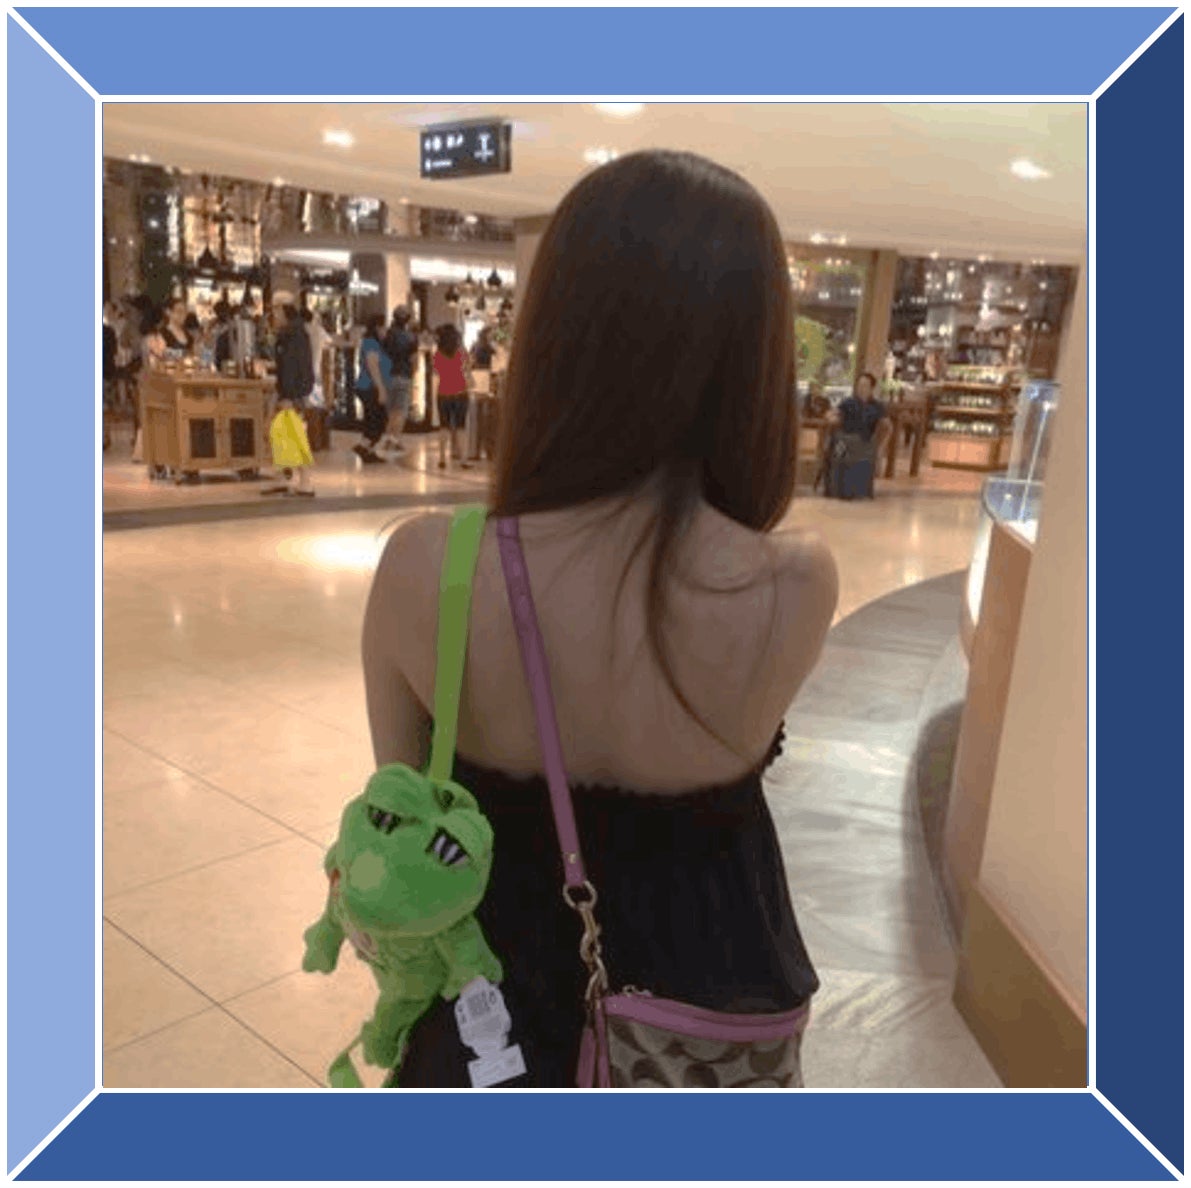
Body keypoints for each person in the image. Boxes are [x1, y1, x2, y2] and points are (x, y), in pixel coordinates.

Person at [360, 150, 838, 1087]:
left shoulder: (427, 566)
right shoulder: (793, 581)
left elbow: (401, 817)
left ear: (555, 334)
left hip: (487, 1026)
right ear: (756, 356)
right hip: (700, 1035)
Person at [431, 323, 473, 470]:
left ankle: (442, 458)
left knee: (444, 426)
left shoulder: (437, 354)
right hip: (460, 393)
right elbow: (468, 369)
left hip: (443, 393)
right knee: (461, 427)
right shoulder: (461, 352)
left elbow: (436, 372)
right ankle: (463, 460)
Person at [353, 313, 392, 465]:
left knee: (373, 419)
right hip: (370, 387)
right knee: (378, 420)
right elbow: (372, 366)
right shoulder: (371, 343)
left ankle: (368, 450)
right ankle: (364, 446)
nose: (385, 331)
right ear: (377, 328)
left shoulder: (374, 343)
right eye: (383, 328)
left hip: (370, 387)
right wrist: (380, 388)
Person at [380, 305, 417, 454]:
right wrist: (413, 375)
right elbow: (414, 360)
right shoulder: (411, 337)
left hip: (388, 376)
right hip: (403, 375)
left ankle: (389, 439)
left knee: (391, 411)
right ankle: (394, 440)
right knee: (400, 411)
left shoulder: (386, 335)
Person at [468, 327, 497, 461]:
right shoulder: (490, 349)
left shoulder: (475, 347)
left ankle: (475, 450)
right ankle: (488, 450)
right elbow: (495, 367)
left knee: (477, 418)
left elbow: (470, 363)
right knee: (487, 418)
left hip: (477, 382)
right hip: (486, 382)